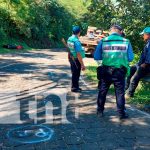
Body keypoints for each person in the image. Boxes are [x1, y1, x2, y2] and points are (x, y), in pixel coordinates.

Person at [94, 25, 134, 119]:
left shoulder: (103, 41)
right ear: (120, 31)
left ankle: (100, 111)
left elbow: (96, 56)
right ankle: (121, 114)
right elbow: (130, 58)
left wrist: (107, 57)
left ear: (110, 31)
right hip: (120, 71)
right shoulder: (126, 41)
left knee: (103, 91)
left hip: (106, 70)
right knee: (120, 93)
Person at [125, 27, 150, 99]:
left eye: (143, 34)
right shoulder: (148, 43)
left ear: (148, 35)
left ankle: (129, 94)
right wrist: (138, 64)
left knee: (134, 77)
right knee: (130, 70)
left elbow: (149, 58)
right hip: (142, 64)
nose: (142, 36)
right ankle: (125, 90)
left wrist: (143, 65)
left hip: (147, 66)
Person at [67, 26, 86, 92]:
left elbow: (69, 49)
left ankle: (75, 86)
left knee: (74, 73)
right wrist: (82, 65)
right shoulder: (76, 41)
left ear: (72, 32)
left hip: (71, 57)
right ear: (79, 32)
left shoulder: (69, 39)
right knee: (76, 73)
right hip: (75, 59)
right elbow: (78, 54)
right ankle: (74, 88)